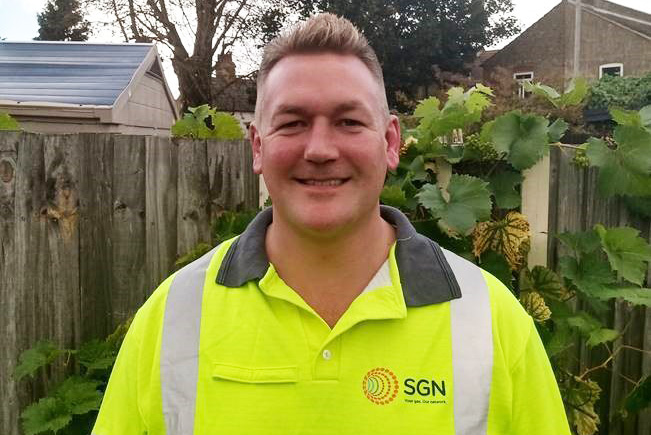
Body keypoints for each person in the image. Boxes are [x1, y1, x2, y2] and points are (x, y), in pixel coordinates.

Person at [92, 13, 571, 435]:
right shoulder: (172, 316)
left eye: (348, 122)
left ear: (390, 142)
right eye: (293, 122)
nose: (320, 149)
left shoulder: (491, 322)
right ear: (258, 146)